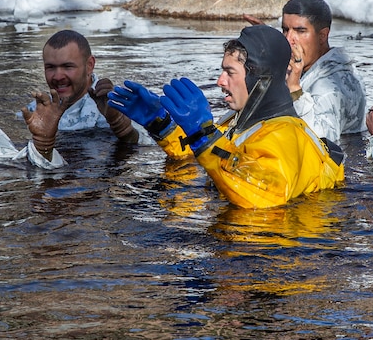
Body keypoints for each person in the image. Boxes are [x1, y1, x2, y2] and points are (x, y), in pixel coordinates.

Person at [107, 24, 344, 209]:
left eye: (230, 72)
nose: (220, 81)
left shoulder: (286, 135)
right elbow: (202, 155)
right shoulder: (241, 122)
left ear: (259, 80)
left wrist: (203, 134)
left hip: (272, 261)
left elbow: (263, 194)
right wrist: (161, 124)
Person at [245, 0, 367, 143]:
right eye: (285, 30)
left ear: (322, 36)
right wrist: (270, 42)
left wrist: (295, 89)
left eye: (300, 31)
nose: (288, 39)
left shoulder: (332, 87)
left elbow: (319, 141)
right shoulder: (307, 64)